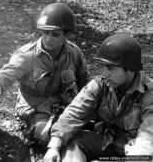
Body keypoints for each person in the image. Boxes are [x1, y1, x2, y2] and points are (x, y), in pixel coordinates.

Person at [0, 3, 90, 147]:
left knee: (86, 132)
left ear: (66, 35)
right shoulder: (28, 55)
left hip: (65, 105)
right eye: (45, 33)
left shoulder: (74, 53)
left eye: (55, 34)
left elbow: (86, 83)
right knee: (49, 136)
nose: (48, 38)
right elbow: (4, 76)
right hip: (36, 108)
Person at [44, 34, 153, 162]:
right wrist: (54, 146)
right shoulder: (100, 85)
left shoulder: (149, 93)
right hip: (109, 143)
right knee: (72, 141)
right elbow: (74, 114)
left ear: (129, 69)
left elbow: (148, 136)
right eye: (103, 67)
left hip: (138, 152)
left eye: (110, 68)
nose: (104, 73)